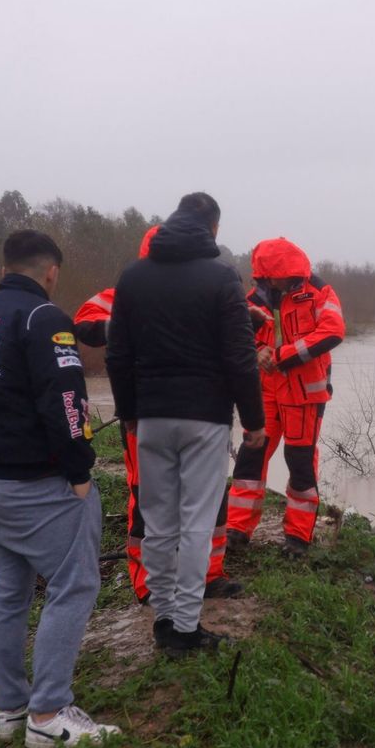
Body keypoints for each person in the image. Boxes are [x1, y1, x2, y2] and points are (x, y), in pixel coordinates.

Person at [0, 230, 119, 748]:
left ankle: (11, 708)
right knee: (74, 585)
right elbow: (65, 400)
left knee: (8, 591)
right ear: (51, 272)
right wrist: (80, 470)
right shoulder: (45, 319)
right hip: (39, 484)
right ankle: (48, 715)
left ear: (4, 269)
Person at [105, 193, 266, 658]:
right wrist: (253, 420)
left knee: (158, 523)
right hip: (205, 418)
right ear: (212, 228)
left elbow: (118, 354)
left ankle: (162, 620)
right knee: (196, 522)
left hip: (151, 418)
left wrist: (129, 412)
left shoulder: (133, 276)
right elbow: (239, 357)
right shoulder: (221, 277)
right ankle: (186, 628)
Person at [73, 226, 240, 603]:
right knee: (148, 497)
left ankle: (209, 575)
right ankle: (149, 584)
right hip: (145, 415)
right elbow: (84, 323)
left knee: (211, 495)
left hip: (203, 413)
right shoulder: (122, 295)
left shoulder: (211, 293)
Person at [222, 237, 345, 560]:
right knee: (251, 457)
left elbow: (333, 331)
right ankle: (237, 529)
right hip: (264, 392)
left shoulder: (320, 292)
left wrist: (281, 355)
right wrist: (257, 352)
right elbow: (235, 338)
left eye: (270, 277)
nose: (266, 282)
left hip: (304, 394)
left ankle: (297, 536)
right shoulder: (253, 300)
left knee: (300, 462)